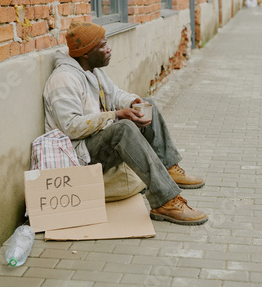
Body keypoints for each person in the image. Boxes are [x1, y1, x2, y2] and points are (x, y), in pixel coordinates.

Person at [42, 21, 208, 225]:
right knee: (123, 129)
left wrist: (132, 102)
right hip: (78, 155)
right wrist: (116, 116)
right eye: (103, 45)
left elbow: (115, 95)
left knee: (148, 105)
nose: (109, 49)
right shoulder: (64, 79)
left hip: (93, 142)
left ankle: (168, 169)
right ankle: (165, 202)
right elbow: (71, 127)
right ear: (86, 53)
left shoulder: (92, 71)